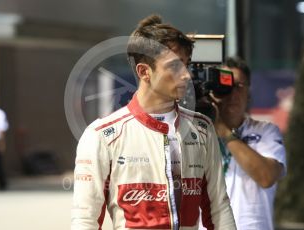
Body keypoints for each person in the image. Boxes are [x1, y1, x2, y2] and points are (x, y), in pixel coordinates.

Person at [71, 15, 236, 230]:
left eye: (186, 65)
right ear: (144, 72)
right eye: (175, 66)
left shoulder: (202, 128)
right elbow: (85, 220)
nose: (186, 75)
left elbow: (219, 209)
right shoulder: (102, 135)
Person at [209, 57, 287, 229]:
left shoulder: (266, 131)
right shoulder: (198, 133)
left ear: (249, 93)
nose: (232, 93)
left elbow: (266, 177)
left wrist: (223, 131)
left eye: (238, 86)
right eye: (225, 86)